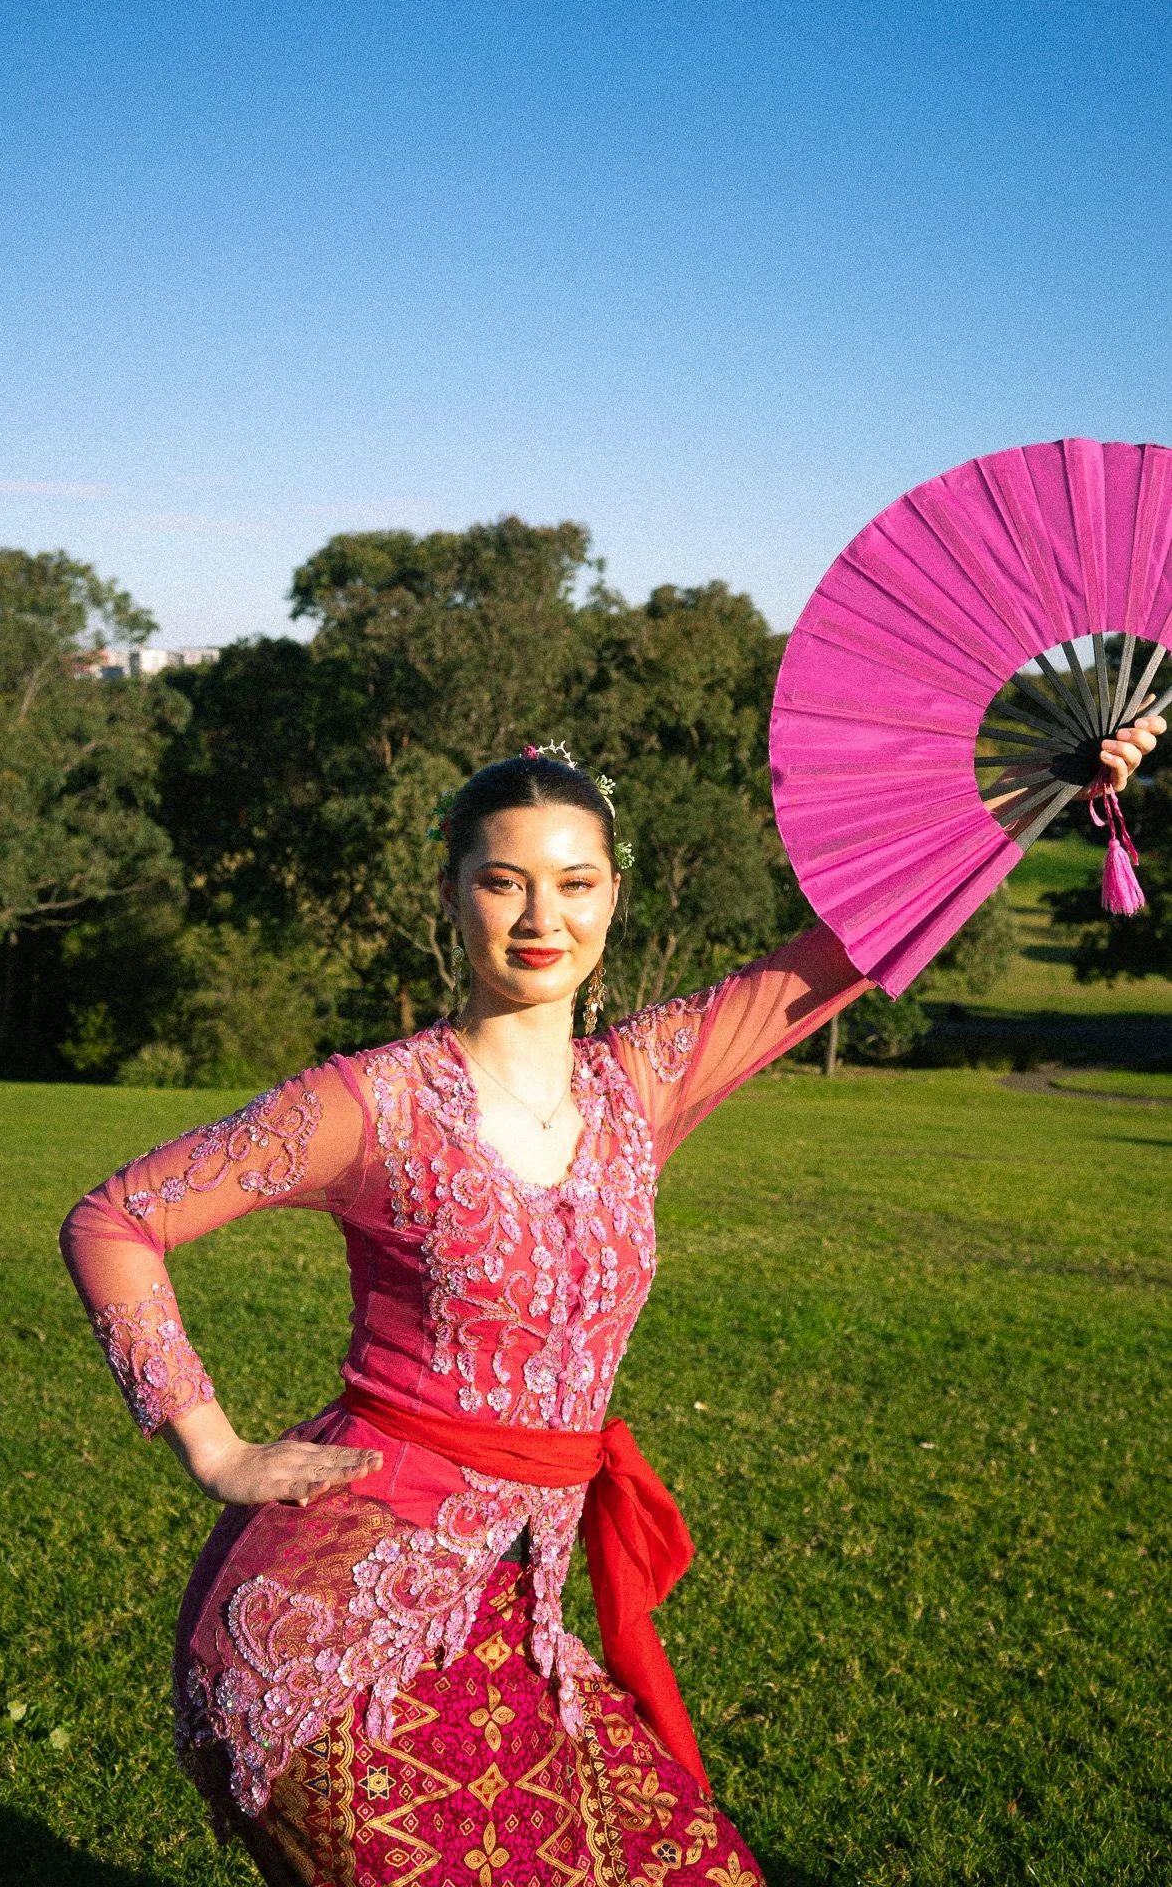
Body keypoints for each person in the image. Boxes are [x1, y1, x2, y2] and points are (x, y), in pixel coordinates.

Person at [60, 717, 1162, 1887]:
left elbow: (849, 942)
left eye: (575, 884)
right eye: (505, 882)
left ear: (614, 896)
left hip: (511, 1617)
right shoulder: (370, 1102)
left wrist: (1041, 788)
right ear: (450, 892)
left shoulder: (642, 1082)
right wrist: (214, 1448)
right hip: (327, 1629)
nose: (543, 919)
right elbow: (116, 1219)